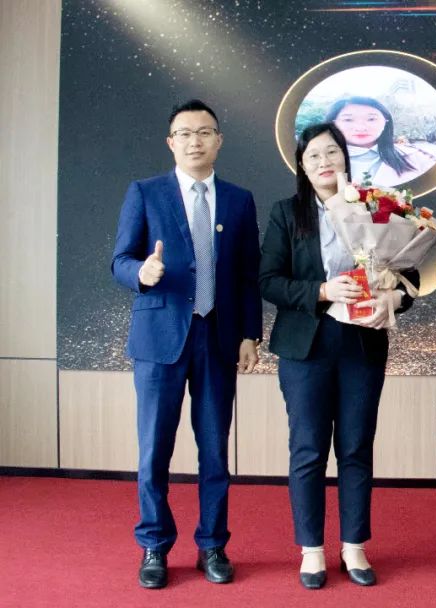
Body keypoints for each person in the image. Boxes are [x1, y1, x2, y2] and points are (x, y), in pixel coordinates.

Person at [259, 122, 418, 589]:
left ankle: (354, 546)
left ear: (345, 157)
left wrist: (394, 298)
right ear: (301, 165)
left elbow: (408, 276)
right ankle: (311, 550)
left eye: (332, 152)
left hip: (362, 342)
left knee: (355, 447)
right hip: (306, 346)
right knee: (308, 449)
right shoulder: (287, 213)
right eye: (313, 155)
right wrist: (323, 290)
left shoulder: (376, 207)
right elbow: (268, 281)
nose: (324, 161)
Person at [111, 99, 262, 589]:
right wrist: (142, 272)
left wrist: (250, 334)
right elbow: (120, 260)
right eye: (185, 133)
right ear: (170, 142)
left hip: (218, 337)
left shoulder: (239, 200)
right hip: (160, 339)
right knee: (154, 450)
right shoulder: (145, 192)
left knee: (214, 450)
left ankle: (212, 544)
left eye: (204, 132)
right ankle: (154, 545)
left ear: (219, 140)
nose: (195, 141)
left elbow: (247, 274)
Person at [326, 96, 436, 187]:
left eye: (371, 119)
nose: (361, 127)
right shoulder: (318, 162)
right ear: (333, 124)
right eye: (348, 120)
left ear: (386, 122)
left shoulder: (418, 158)